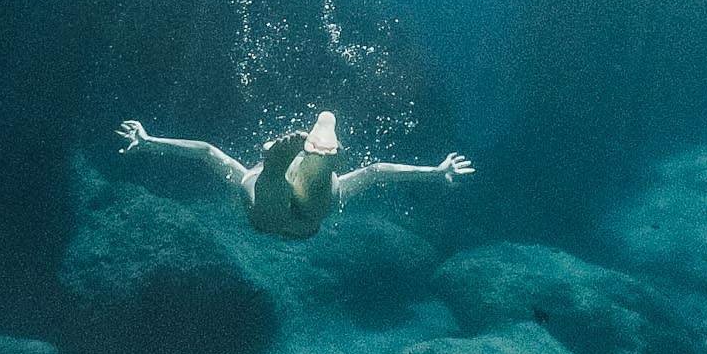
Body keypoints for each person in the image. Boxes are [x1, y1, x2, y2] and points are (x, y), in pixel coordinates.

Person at [115, 110, 473, 241]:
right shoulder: (329, 183)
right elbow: (380, 173)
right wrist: (435, 172)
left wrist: (149, 142)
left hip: (269, 213)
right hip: (304, 220)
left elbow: (206, 152)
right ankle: (316, 163)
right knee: (319, 186)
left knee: (264, 182)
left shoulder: (249, 173)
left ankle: (301, 163)